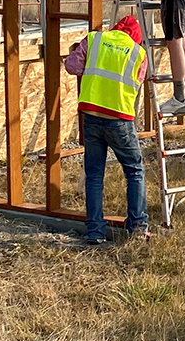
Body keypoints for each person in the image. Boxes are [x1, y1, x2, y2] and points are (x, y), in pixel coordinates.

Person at [64, 15, 151, 244]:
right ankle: (138, 228)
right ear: (135, 38)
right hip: (119, 118)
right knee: (134, 171)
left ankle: (95, 231)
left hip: (91, 116)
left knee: (94, 174)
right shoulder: (138, 53)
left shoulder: (94, 40)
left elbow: (71, 67)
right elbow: (139, 80)